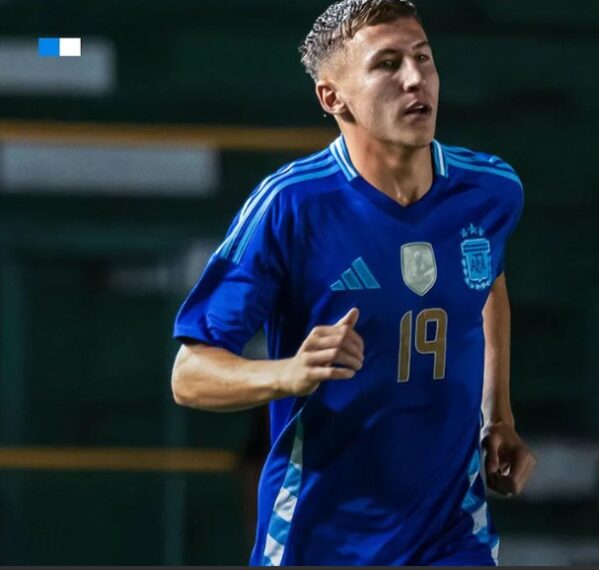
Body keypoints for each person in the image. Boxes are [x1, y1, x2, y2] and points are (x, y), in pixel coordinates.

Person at [171, 0, 535, 565]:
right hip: (322, 541)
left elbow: (488, 283)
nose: (416, 78)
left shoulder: (490, 190)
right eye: (387, 64)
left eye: (423, 57)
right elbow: (189, 374)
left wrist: (499, 417)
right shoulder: (290, 207)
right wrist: (288, 372)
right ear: (332, 97)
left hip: (450, 534)